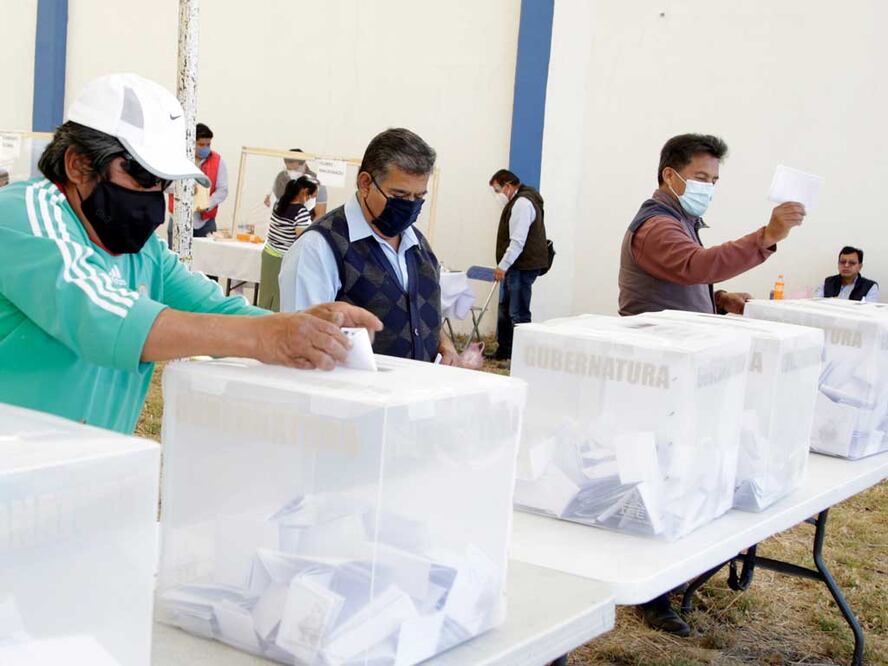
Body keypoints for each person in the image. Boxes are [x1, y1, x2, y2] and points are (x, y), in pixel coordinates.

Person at [0, 73, 381, 435]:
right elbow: (106, 319)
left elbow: (216, 311)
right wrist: (269, 335)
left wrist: (299, 325)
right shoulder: (23, 216)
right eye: (142, 179)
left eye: (162, 184)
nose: (154, 199)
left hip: (90, 471)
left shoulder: (140, 249)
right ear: (78, 165)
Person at [618, 133, 805, 636]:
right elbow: (690, 264)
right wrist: (766, 234)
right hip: (658, 373)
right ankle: (651, 594)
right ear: (670, 175)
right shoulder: (656, 224)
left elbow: (687, 279)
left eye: (714, 181)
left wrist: (715, 298)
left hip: (681, 365)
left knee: (682, 474)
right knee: (657, 479)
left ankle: (674, 575)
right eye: (701, 178)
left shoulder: (681, 220)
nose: (708, 188)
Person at [279, 128, 457, 364]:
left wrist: (443, 342)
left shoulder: (418, 244)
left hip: (417, 395)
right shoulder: (318, 248)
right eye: (400, 195)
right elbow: (300, 343)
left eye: (418, 197)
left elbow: (416, 310)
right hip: (353, 397)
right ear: (365, 183)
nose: (411, 207)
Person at [488, 169, 549, 361]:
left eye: (498, 190)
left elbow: (517, 241)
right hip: (517, 266)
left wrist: (502, 266)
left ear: (508, 186)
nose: (497, 195)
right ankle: (505, 351)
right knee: (505, 309)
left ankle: (522, 358)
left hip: (522, 266)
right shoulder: (521, 201)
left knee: (518, 312)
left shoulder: (522, 203)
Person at [258, 176, 318, 311]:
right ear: (304, 191)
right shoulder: (301, 211)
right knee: (280, 300)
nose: (309, 200)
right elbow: (302, 238)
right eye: (310, 196)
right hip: (283, 259)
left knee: (265, 298)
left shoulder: (278, 203)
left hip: (268, 255)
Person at [267, 149, 329, 218]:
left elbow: (320, 214)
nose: (288, 171)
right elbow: (280, 204)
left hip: (308, 223)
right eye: (288, 168)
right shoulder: (281, 177)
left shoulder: (317, 182)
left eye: (292, 169)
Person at [814, 246, 879, 301]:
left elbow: (868, 311)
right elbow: (817, 305)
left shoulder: (870, 287)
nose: (846, 265)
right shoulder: (827, 282)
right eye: (842, 262)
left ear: (860, 267)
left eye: (852, 263)